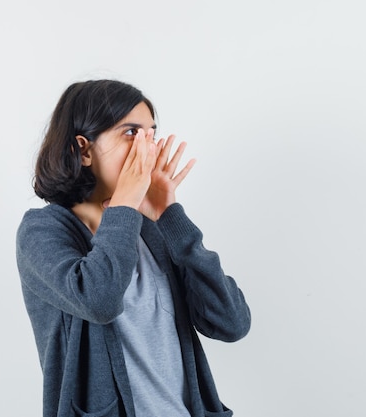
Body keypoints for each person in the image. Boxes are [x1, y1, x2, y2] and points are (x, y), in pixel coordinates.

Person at [16, 79, 251, 417]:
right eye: (131, 133)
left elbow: (231, 322)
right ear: (83, 150)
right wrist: (125, 203)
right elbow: (99, 299)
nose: (147, 148)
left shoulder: (151, 229)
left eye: (151, 135)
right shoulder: (42, 231)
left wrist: (169, 216)